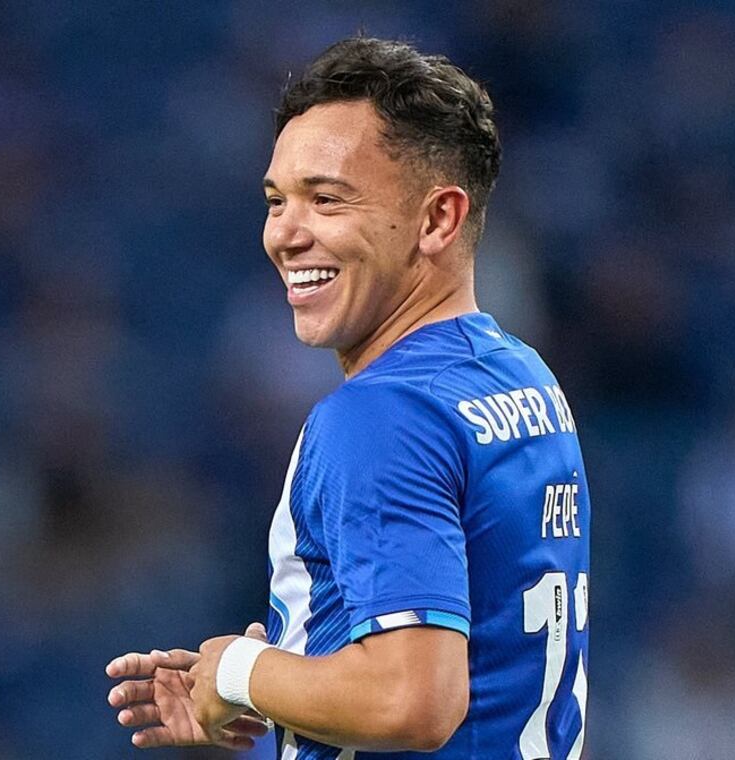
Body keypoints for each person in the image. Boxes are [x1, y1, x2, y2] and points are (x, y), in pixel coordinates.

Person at [106, 36, 590, 759]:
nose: (284, 235)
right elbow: (482, 660)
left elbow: (413, 701)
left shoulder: (380, 418)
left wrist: (239, 667)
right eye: (277, 201)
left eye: (327, 199)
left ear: (438, 219)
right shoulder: (523, 380)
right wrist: (272, 682)